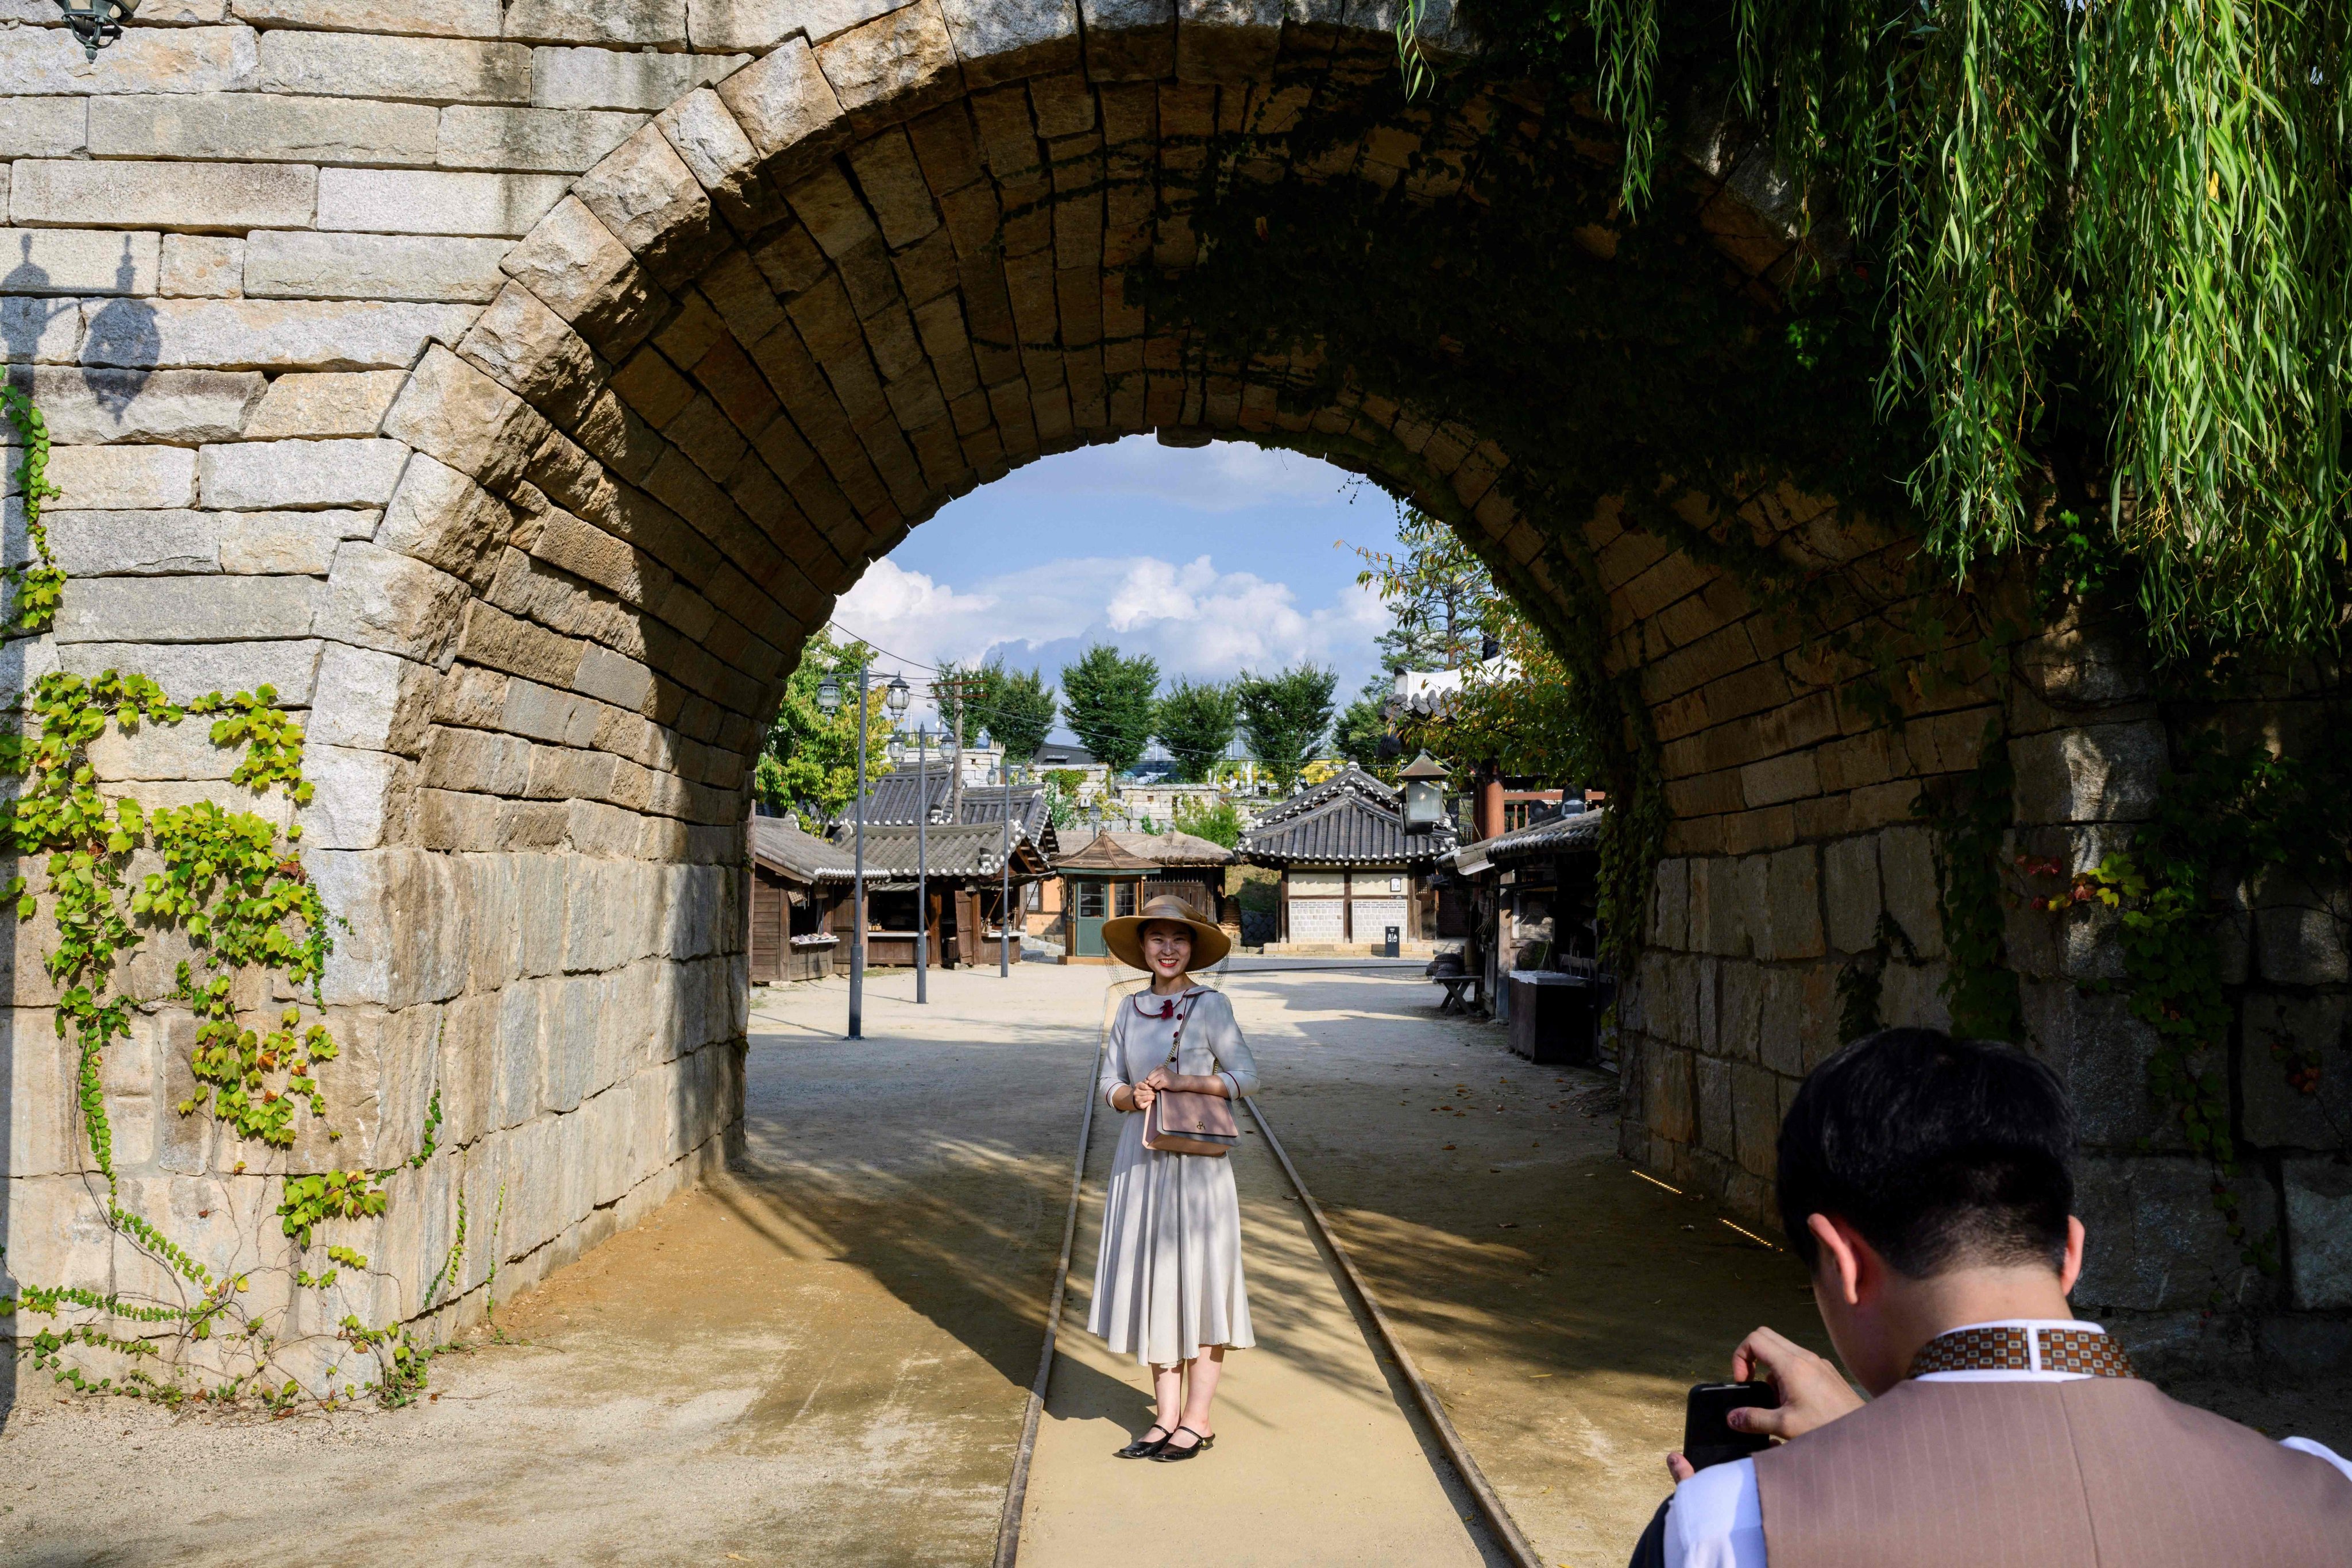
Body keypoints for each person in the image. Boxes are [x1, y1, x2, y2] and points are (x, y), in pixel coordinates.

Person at [1647, 1027, 2352, 1568]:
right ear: (2071, 1253)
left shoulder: (1736, 1525)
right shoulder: (2325, 1492)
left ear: (1842, 1263)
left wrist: (1846, 1459)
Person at [1086, 893, 1260, 1462]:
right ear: (1142, 947)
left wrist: (1183, 1082)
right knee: (1155, 1281)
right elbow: (1106, 1082)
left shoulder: (1212, 1005)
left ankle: (1198, 1418)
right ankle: (1164, 1417)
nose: (1168, 948)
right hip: (1140, 1161)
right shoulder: (1127, 1009)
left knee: (1203, 1283)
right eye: (1158, 938)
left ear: (1194, 949)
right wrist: (1127, 1096)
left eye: (1179, 939)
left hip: (1199, 1168)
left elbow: (1246, 1077)